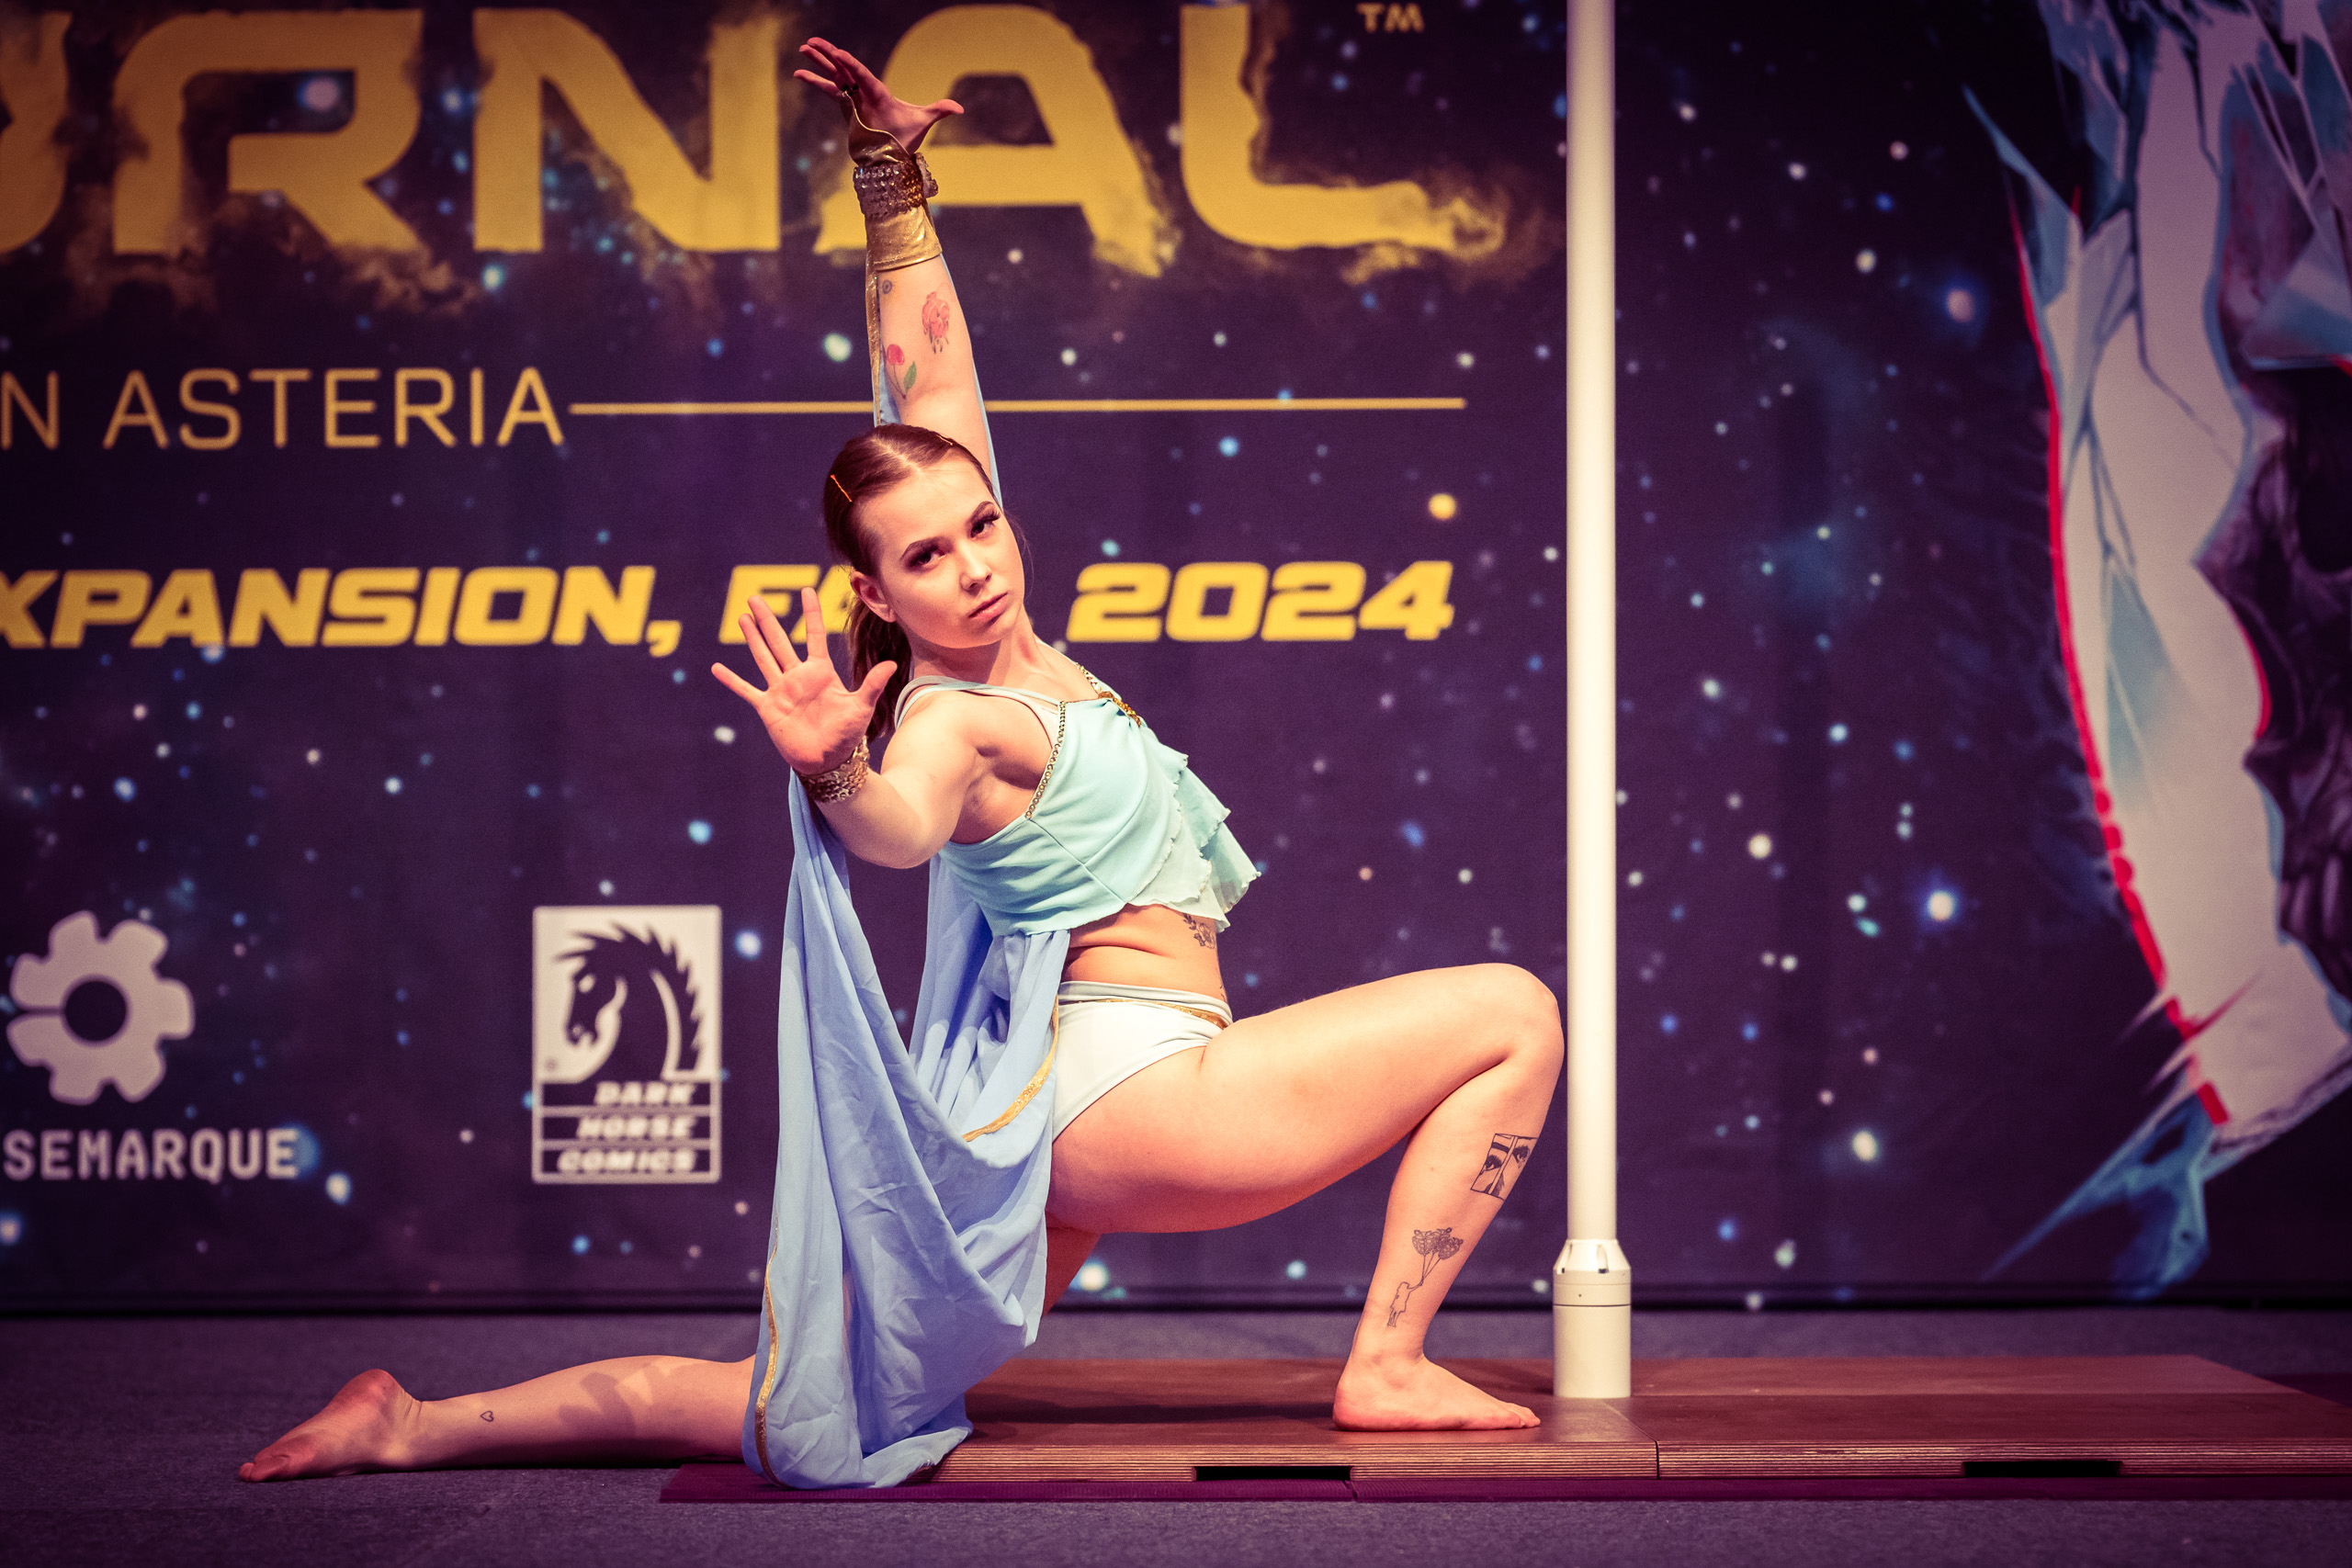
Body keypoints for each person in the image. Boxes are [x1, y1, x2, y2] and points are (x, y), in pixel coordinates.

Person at [240, 36, 1561, 1486]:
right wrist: (836, 775)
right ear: (875, 592)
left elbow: (928, 377)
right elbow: (897, 829)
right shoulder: (950, 718)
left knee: (815, 1399)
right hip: (1130, 1095)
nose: (974, 564)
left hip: (1067, 1107)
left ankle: (417, 1423)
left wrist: (888, 181)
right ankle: (1386, 1364)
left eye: (981, 524)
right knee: (1510, 1013)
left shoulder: (1010, 635)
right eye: (927, 558)